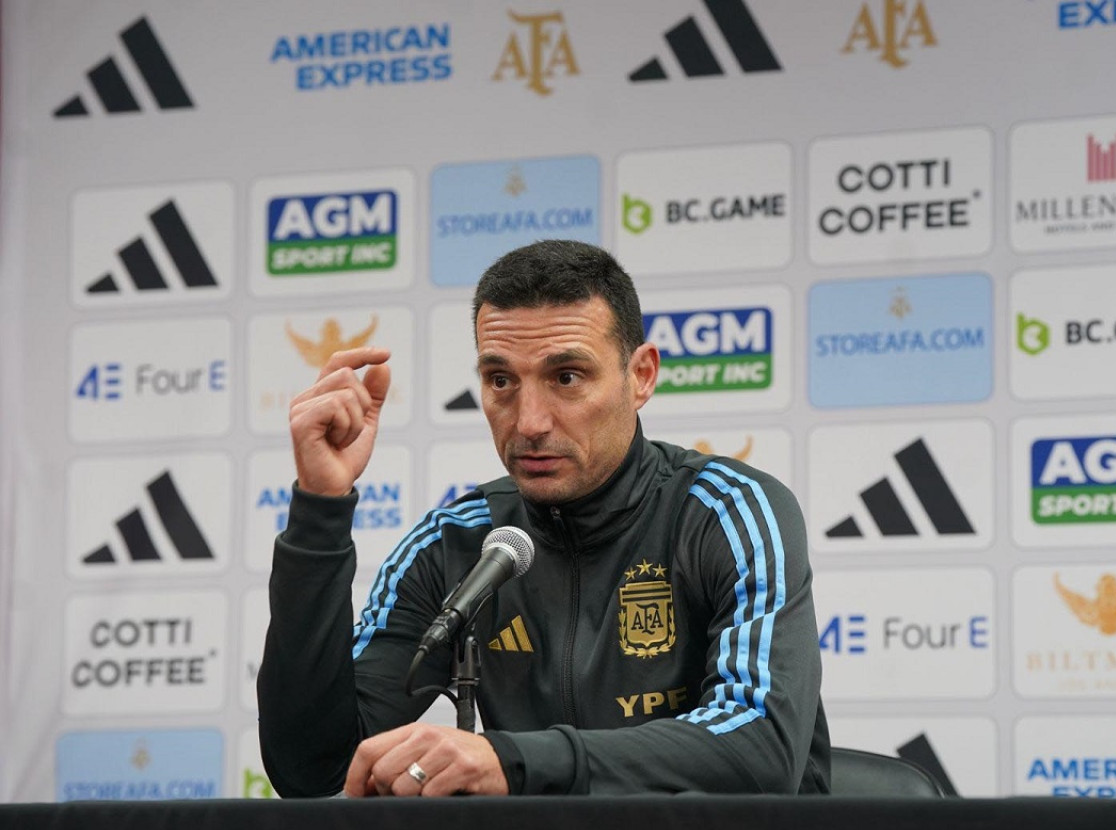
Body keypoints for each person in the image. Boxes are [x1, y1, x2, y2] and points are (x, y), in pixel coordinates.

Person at [258, 239, 830, 797]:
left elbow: (763, 746)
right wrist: (321, 508)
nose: (529, 422)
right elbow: (312, 768)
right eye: (501, 380)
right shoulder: (456, 543)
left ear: (641, 376)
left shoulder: (727, 512)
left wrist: (513, 762)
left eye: (566, 377)